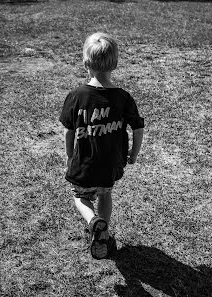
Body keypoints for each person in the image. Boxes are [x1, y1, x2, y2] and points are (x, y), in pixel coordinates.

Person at [59, 32, 144, 260]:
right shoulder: (123, 97)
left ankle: (93, 221)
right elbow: (137, 128)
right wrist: (133, 154)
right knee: (105, 194)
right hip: (110, 162)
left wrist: (69, 157)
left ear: (86, 62)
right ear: (114, 64)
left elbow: (68, 131)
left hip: (85, 163)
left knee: (80, 197)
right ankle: (103, 231)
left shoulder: (76, 96)